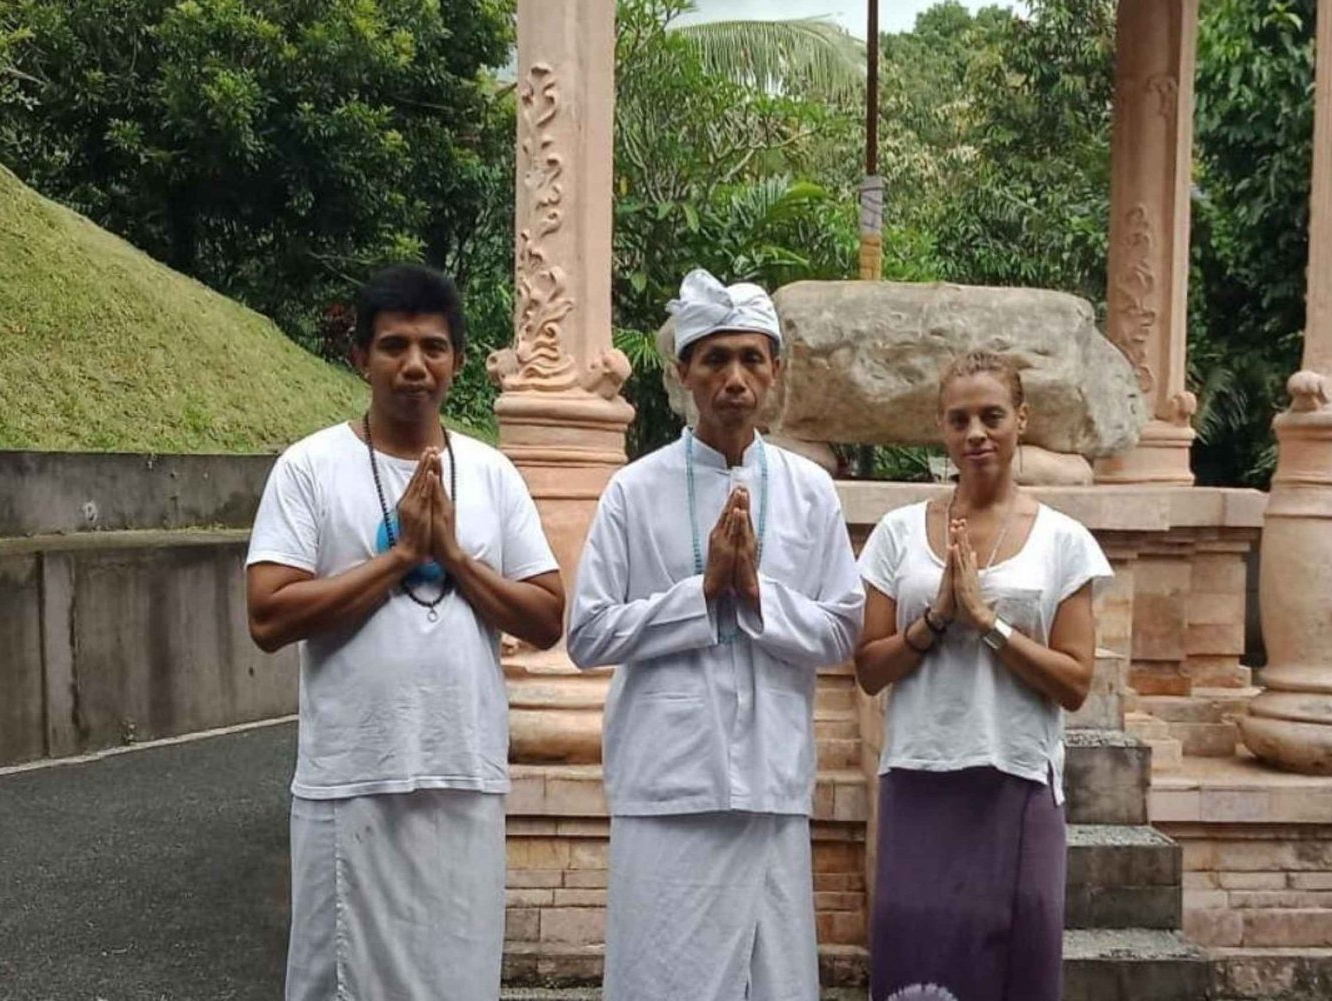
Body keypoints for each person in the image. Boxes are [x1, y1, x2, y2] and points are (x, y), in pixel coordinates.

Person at [245, 263, 565, 1001]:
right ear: (360, 357)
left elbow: (546, 615)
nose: (414, 365)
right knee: (344, 979)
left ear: (456, 357)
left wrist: (451, 556)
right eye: (393, 346)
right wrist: (399, 559)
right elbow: (267, 615)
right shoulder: (310, 468)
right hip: (352, 779)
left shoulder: (490, 473)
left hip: (462, 773)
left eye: (432, 346)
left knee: (458, 975)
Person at [567, 268, 865, 1001]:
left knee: (772, 982)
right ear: (684, 373)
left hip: (769, 785)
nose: (734, 377)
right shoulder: (634, 489)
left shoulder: (808, 490)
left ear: (775, 373)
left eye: (751, 358)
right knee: (660, 979)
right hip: (666, 785)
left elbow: (842, 631)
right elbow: (588, 632)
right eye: (715, 358)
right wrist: (698, 596)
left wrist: (757, 594)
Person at [854, 350, 1112, 1001]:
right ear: (941, 429)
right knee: (918, 963)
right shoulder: (896, 533)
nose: (976, 433)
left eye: (991, 415)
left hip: (1017, 779)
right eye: (959, 418)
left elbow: (1076, 681)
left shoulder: (1063, 540)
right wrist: (939, 616)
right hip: (920, 776)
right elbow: (868, 667)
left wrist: (989, 623)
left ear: (1021, 419)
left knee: (1016, 967)